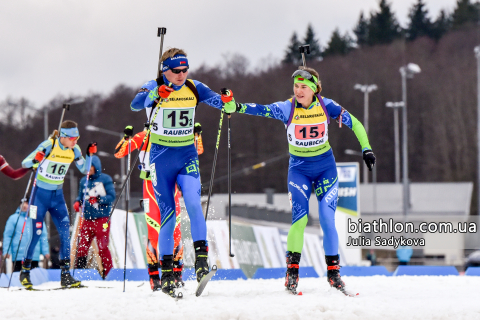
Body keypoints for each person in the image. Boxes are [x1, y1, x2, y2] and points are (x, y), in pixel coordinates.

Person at [220, 66, 376, 295]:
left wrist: (367, 150)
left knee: (326, 218)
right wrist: (236, 106)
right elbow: (261, 109)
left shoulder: (326, 106)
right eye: (296, 86)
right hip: (299, 170)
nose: (298, 90)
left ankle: (334, 274)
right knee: (300, 220)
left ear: (314, 89)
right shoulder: (287, 108)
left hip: (326, 170)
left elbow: (357, 125)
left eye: (304, 86)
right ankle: (292, 274)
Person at [130, 48, 227, 296]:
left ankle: (202, 263)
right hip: (161, 159)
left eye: (185, 70)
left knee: (194, 203)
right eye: (176, 71)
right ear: (165, 71)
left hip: (186, 156)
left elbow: (219, 102)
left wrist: (227, 101)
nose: (181, 75)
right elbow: (135, 104)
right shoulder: (154, 84)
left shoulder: (194, 87)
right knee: (168, 216)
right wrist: (156, 93)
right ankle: (167, 273)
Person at [19, 120, 96, 289]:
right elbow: (25, 163)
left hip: (57, 198)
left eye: (78, 137)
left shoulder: (74, 149)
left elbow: (84, 169)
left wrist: (90, 156)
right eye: (73, 138)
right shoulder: (49, 145)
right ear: (64, 137)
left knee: (65, 234)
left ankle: (66, 275)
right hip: (38, 197)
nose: (76, 141)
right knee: (36, 234)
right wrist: (36, 159)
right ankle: (25, 272)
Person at [114, 126, 184, 290]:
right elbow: (119, 153)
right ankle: (154, 277)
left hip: (171, 186)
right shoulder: (145, 136)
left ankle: (176, 274)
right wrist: (126, 139)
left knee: (175, 231)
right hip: (150, 187)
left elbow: (196, 151)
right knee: (154, 233)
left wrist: (197, 136)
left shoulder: (174, 133)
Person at [73, 155, 115, 279]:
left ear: (95, 167)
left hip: (102, 218)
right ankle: (79, 273)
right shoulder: (83, 181)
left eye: (90, 167)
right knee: (82, 246)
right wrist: (78, 202)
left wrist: (99, 199)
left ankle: (108, 273)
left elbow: (112, 196)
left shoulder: (105, 179)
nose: (88, 170)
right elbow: (80, 196)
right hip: (87, 219)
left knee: (102, 247)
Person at [3, 199, 50, 271]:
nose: (24, 205)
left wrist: (45, 251)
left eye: (27, 203)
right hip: (18, 255)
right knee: (18, 275)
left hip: (34, 255)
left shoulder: (37, 219)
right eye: (22, 203)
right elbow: (8, 236)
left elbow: (42, 236)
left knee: (33, 276)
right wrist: (6, 251)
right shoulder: (13, 219)